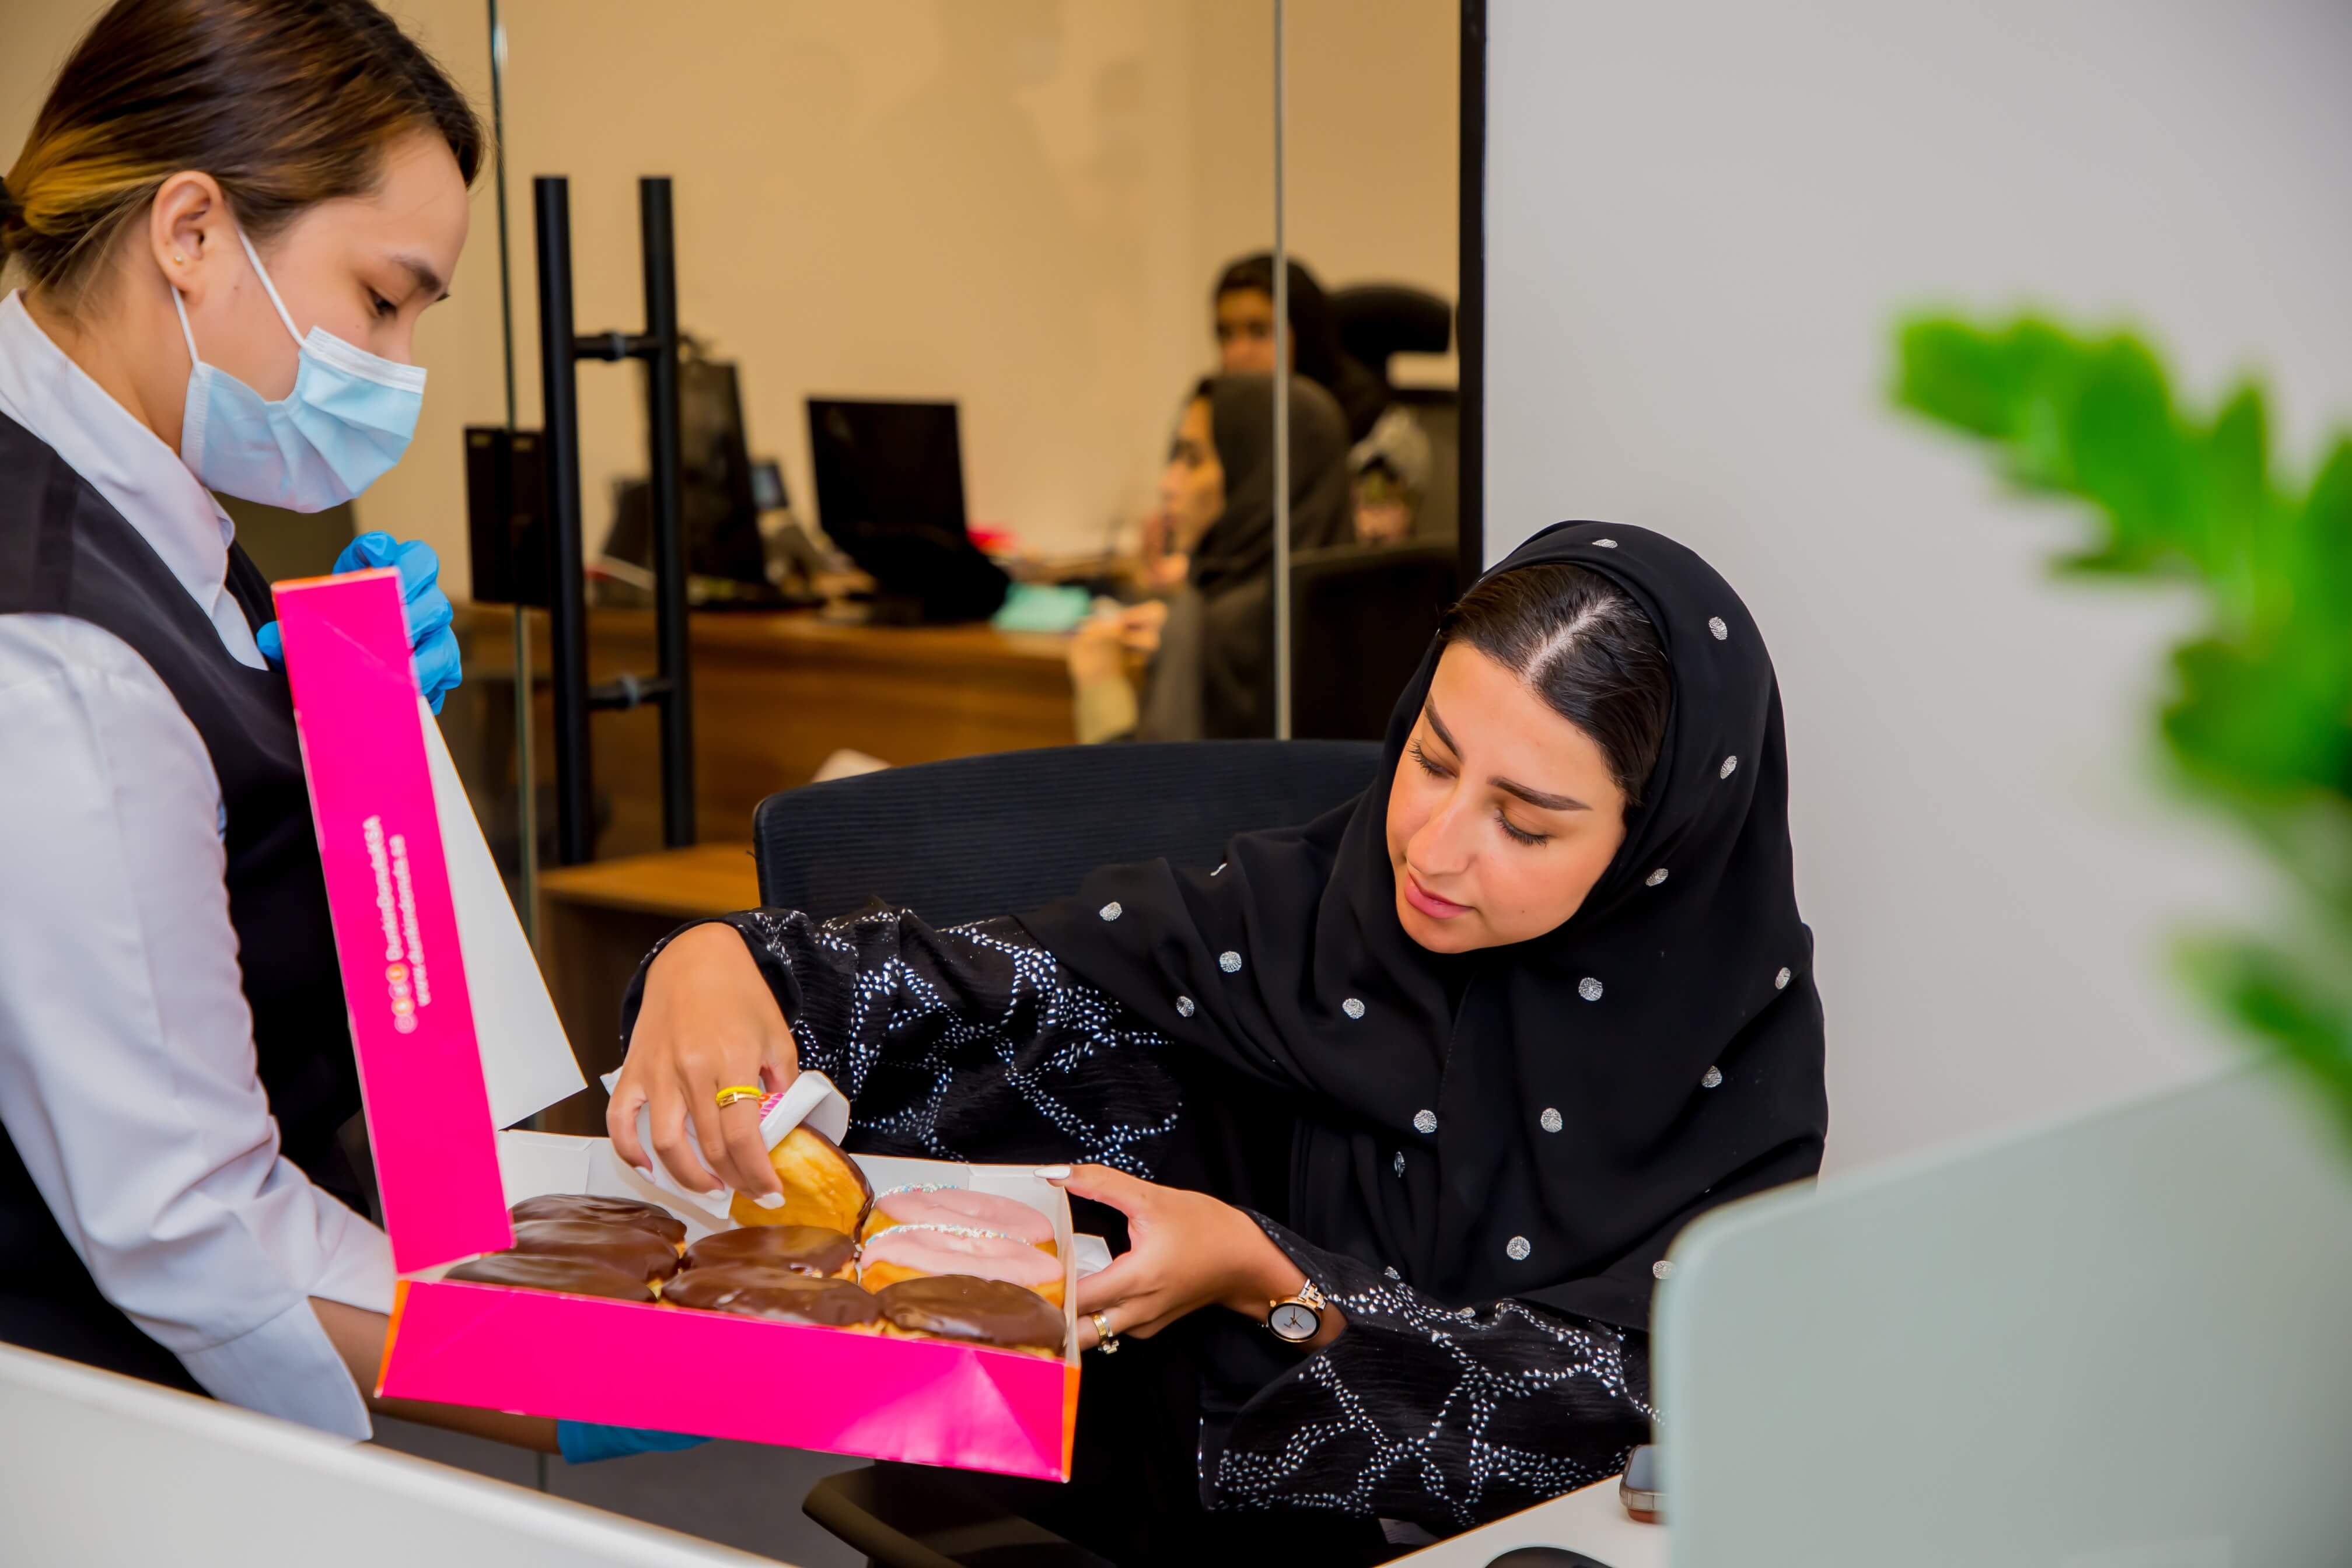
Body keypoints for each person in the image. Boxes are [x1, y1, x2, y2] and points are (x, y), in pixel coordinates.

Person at [613, 522, 1829, 1559]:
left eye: (1524, 825)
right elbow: (966, 992)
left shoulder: (1726, 1050)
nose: (1434, 846)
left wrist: (1278, 1282)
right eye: (1430, 759)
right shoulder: (1279, 932)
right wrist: (722, 961)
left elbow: (1641, 1400)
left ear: (1653, 849)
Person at [0, 0, 686, 1465]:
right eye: (384, 301)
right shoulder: (60, 654)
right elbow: (195, 1231)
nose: (399, 367)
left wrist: (337, 732)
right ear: (189, 230)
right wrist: (604, 1381)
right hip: (107, 1422)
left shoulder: (127, 490)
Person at [1071, 372, 1353, 743]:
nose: (1168, 484)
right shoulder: (1348, 605)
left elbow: (1154, 794)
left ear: (1258, 478)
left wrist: (1102, 687)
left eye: (1193, 459)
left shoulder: (1218, 632)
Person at [1212, 251, 1392, 442]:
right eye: (1226, 334)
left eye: (1260, 332)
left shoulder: (1375, 431)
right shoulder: (1212, 419)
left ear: (1306, 335)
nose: (1236, 354)